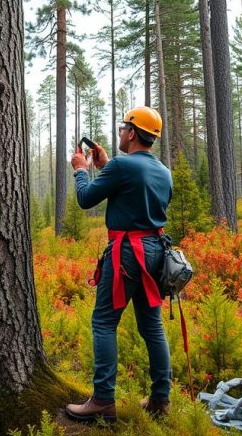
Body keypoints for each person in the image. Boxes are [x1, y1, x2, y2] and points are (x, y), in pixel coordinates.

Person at [64, 106, 173, 422]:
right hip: (156, 251)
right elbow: (135, 191)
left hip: (126, 251)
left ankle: (102, 400)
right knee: (151, 325)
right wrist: (108, 165)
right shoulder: (162, 171)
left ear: (133, 133)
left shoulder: (124, 166)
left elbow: (85, 198)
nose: (121, 131)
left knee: (103, 322)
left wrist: (81, 169)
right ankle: (160, 399)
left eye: (124, 127)